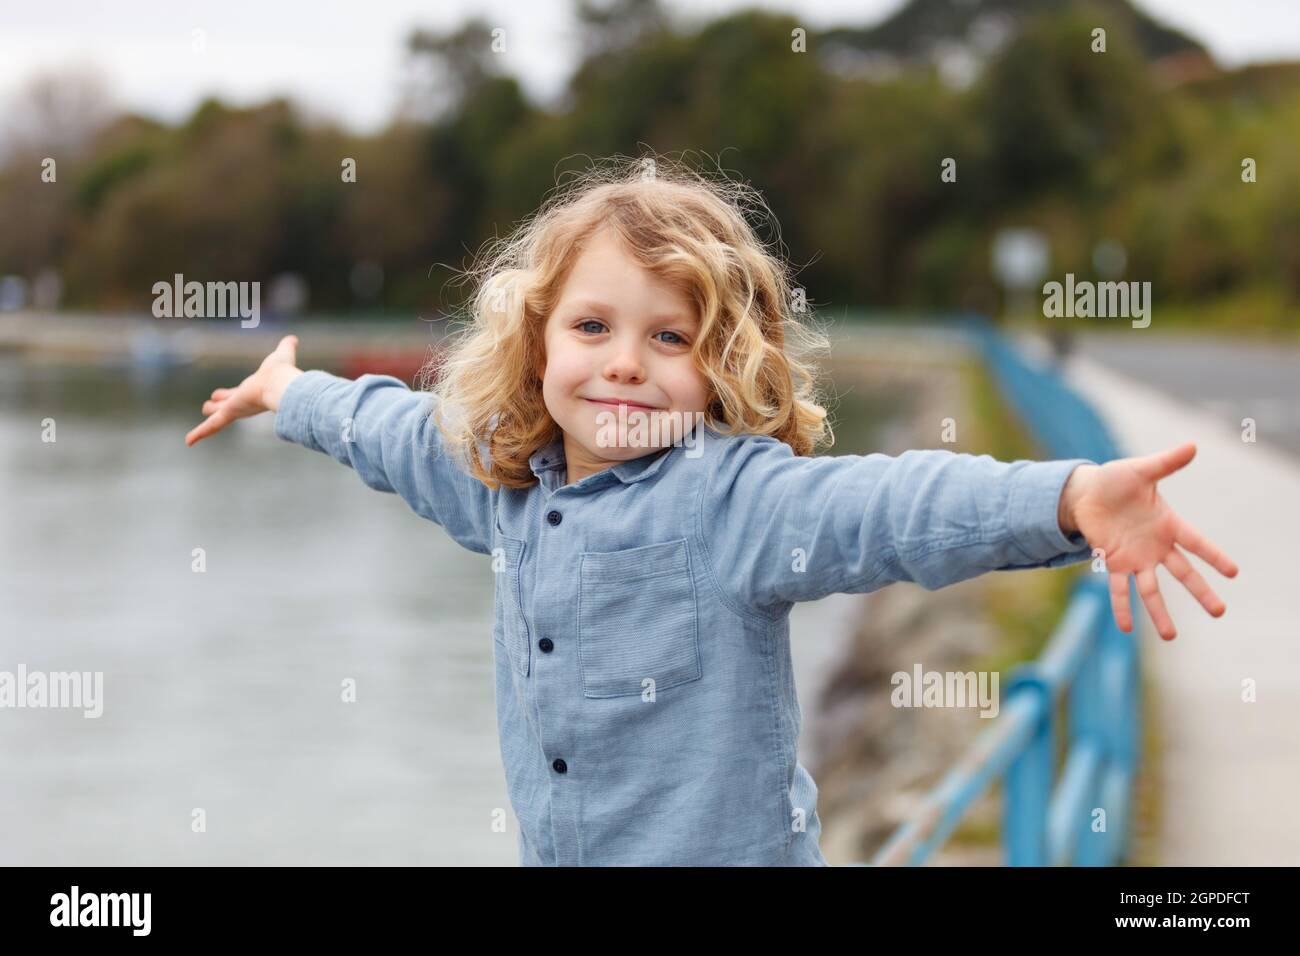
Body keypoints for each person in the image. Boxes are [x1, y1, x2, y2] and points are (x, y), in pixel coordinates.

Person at [185, 156, 1238, 866]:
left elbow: (889, 504)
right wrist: (288, 393)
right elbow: (391, 430)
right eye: (592, 326)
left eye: (669, 338)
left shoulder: (731, 499)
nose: (622, 367)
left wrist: (1064, 494)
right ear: (538, 342)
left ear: (722, 360)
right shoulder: (500, 478)